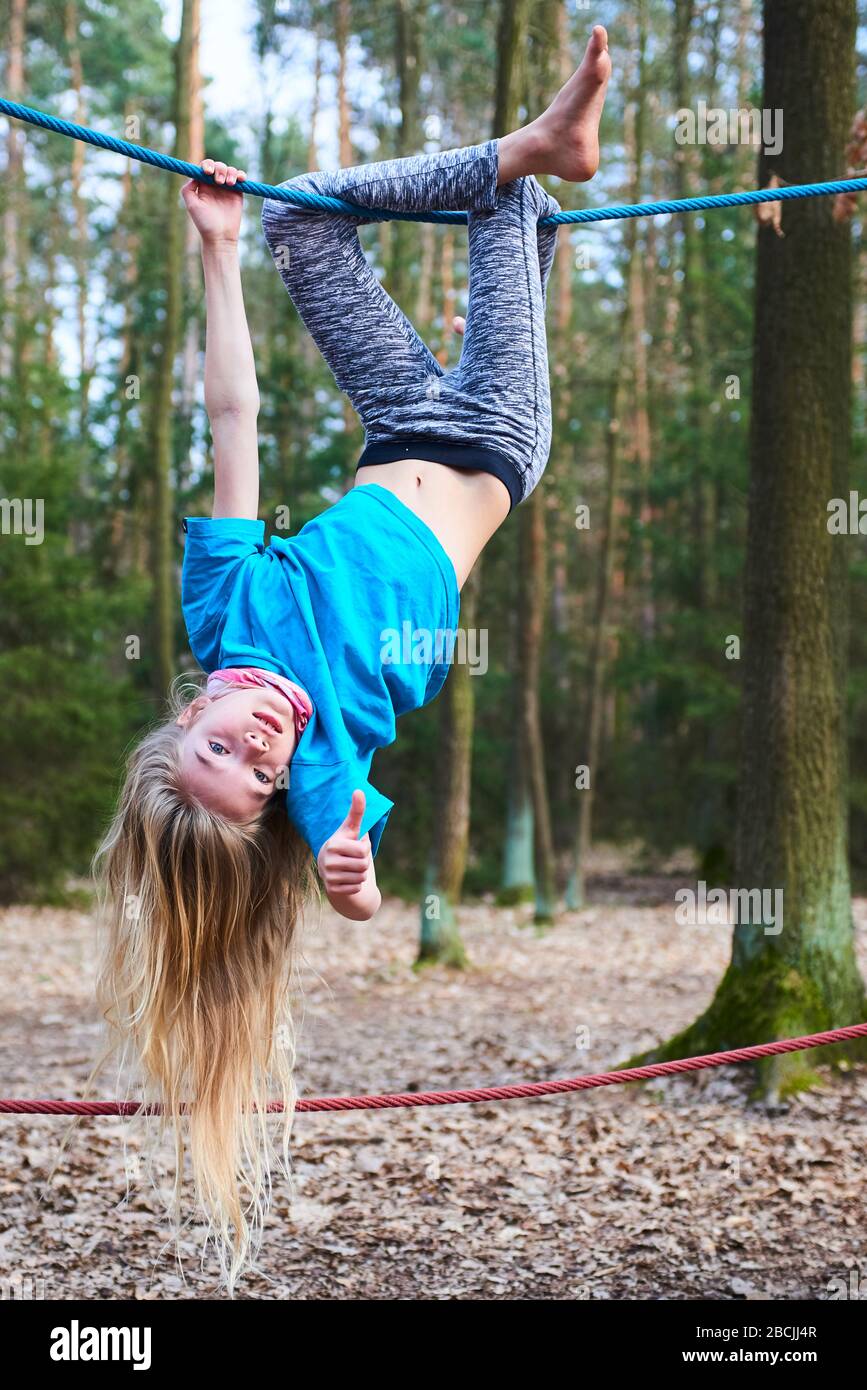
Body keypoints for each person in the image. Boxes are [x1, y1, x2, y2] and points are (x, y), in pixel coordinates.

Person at [94, 26, 611, 1290]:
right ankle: (541, 165)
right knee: (509, 196)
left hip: (399, 421)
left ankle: (533, 188)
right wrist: (347, 873)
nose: (258, 745)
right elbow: (358, 897)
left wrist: (215, 255)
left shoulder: (222, 609)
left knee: (299, 222)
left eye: (219, 746)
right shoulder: (324, 780)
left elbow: (235, 417)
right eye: (255, 778)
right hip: (493, 440)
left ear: (187, 714)